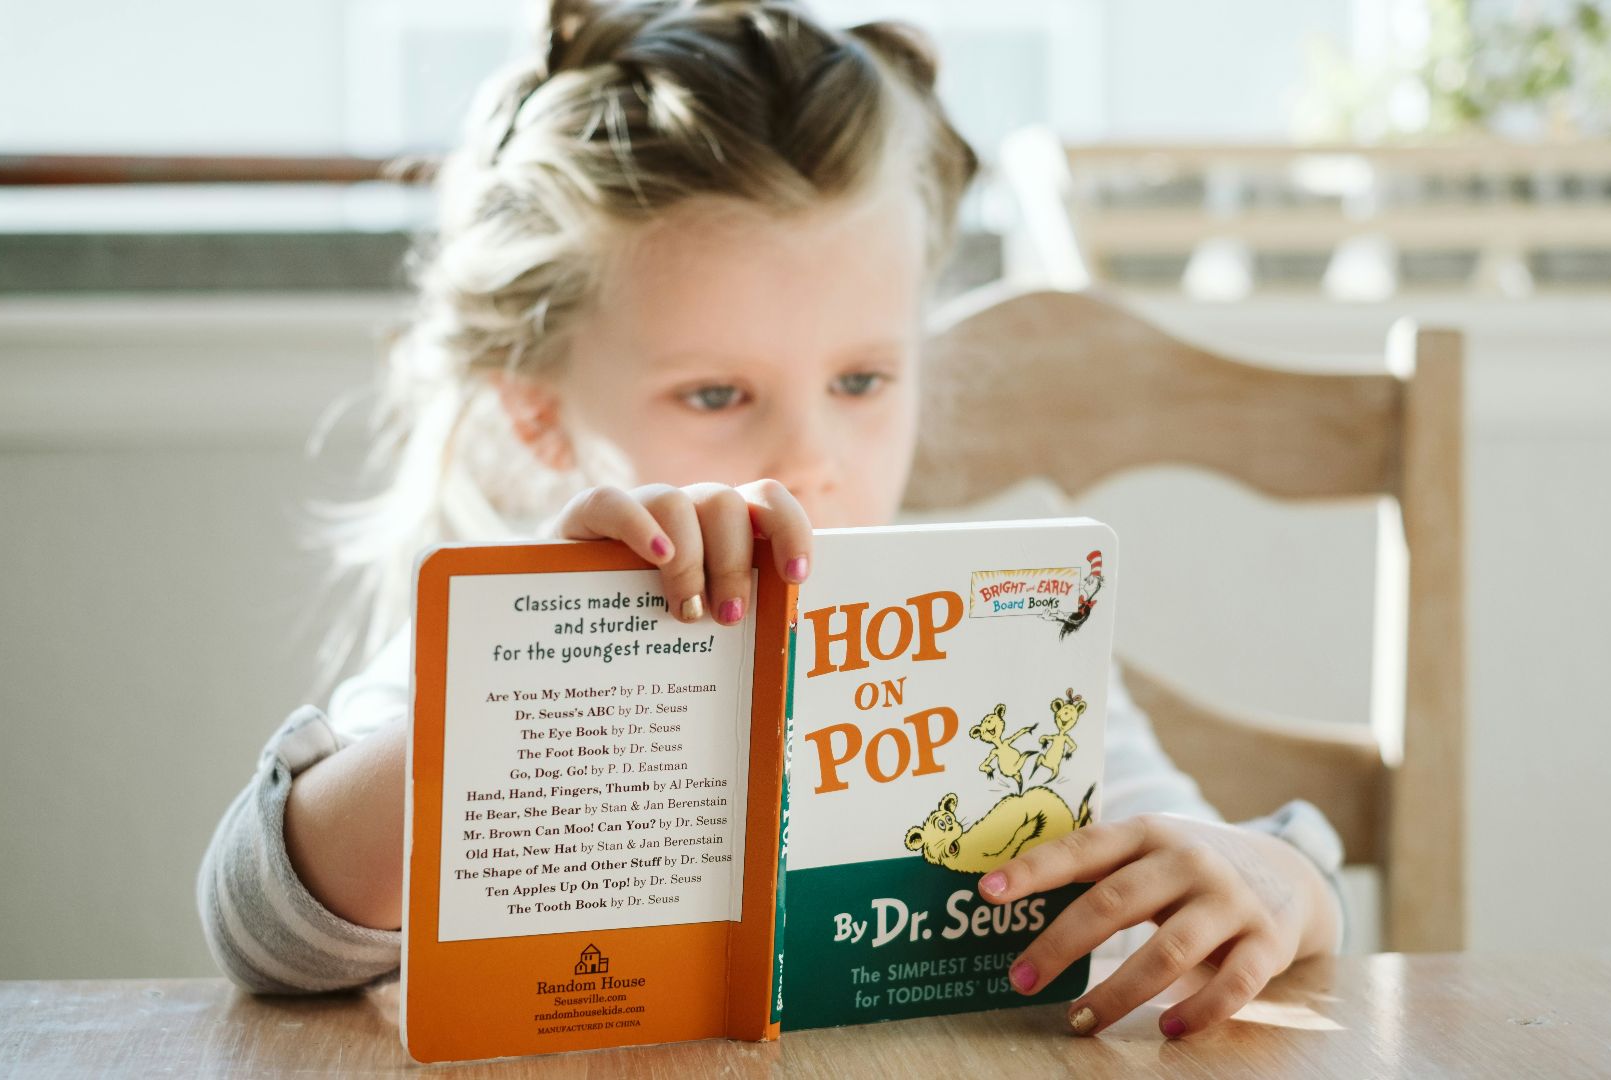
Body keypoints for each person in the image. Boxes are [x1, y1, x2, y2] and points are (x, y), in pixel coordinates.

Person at [196, 0, 1344, 1040]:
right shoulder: (507, 637)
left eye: (862, 381)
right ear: (539, 416)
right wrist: (526, 682)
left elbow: (1233, 876)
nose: (809, 460)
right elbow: (264, 933)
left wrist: (1281, 884)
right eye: (715, 395)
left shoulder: (1001, 650)